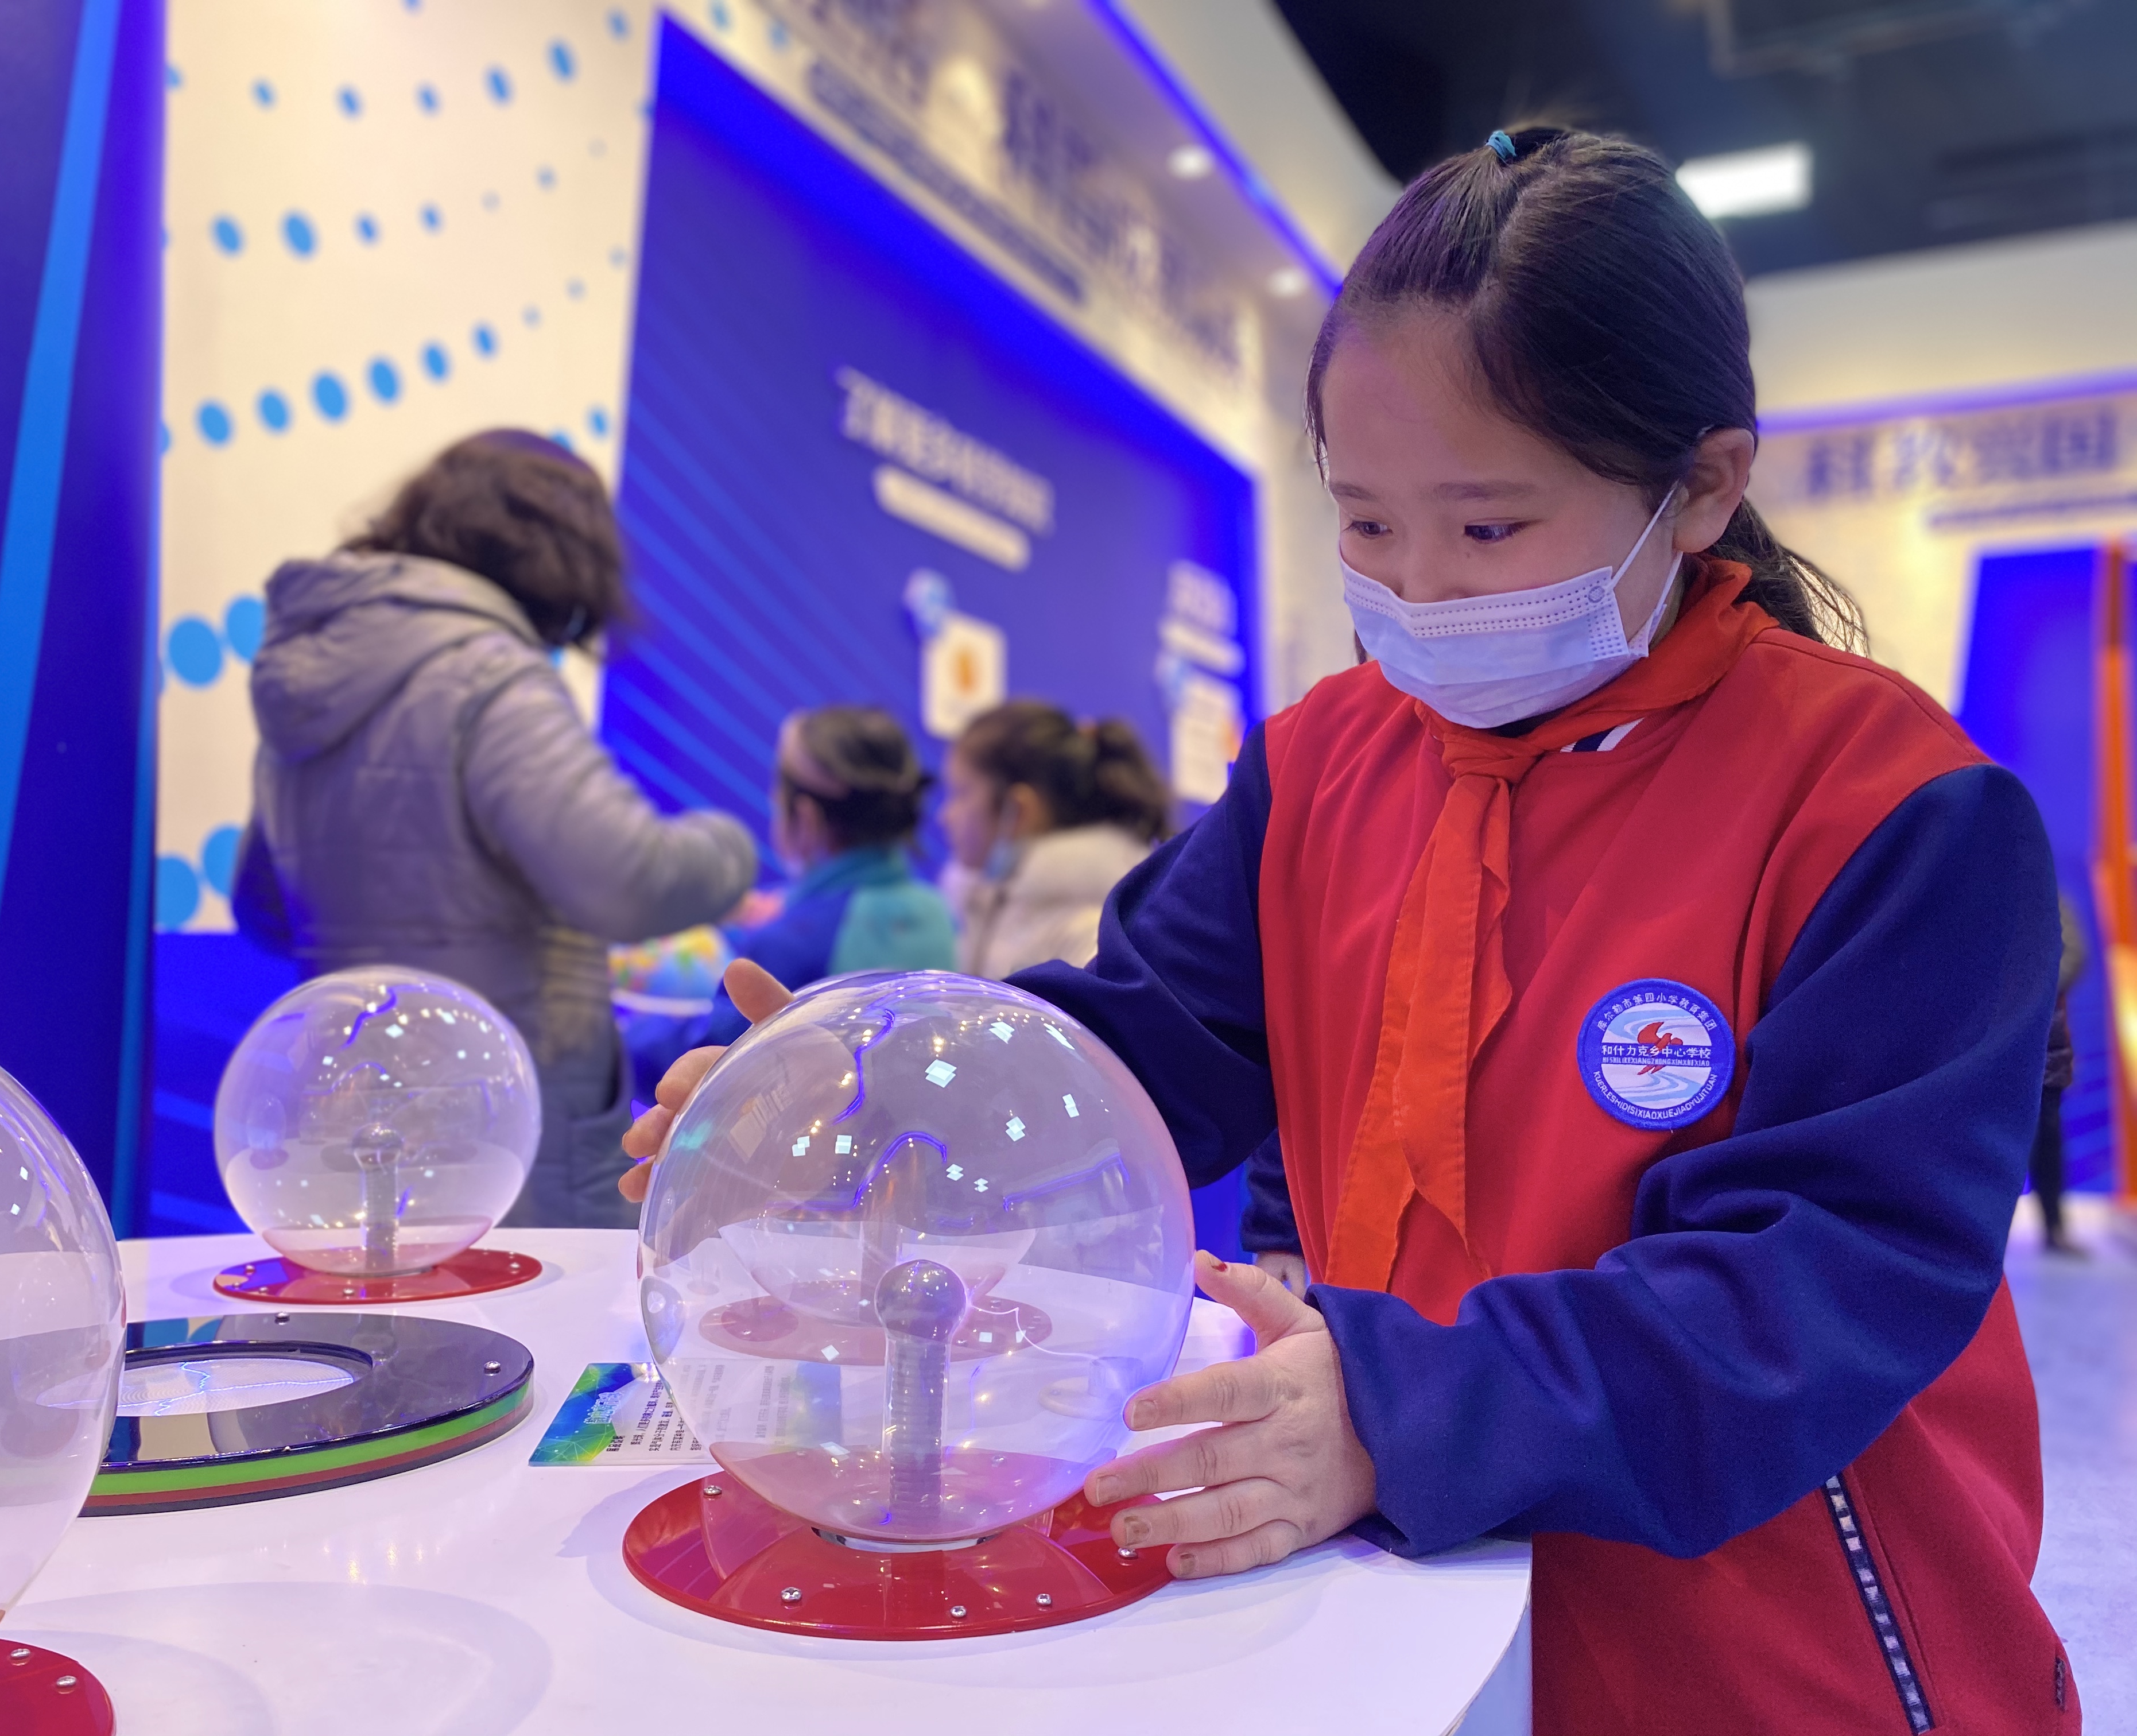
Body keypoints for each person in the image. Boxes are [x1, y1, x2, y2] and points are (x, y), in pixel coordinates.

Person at [621, 129, 2073, 1732]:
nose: (1422, 591)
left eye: (1490, 529)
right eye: (1367, 525)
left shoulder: (1890, 809)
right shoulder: (1321, 766)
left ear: (1705, 487)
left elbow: (1822, 1283)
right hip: (1405, 1596)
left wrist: (1404, 1410)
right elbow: (1143, 1047)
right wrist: (877, 1091)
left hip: (1758, 1634)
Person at [235, 429, 755, 1231]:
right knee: (530, 1312)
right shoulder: (490, 672)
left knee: (386, 1303)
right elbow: (626, 878)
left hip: (345, 1111)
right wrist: (732, 848)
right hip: (502, 1118)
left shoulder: (304, 687)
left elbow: (266, 911)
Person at [623, 706, 957, 1094]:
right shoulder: (936, 909)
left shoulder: (787, 946)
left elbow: (705, 1066)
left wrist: (617, 1033)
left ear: (807, 817)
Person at [939, 700, 1170, 977]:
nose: (945, 816)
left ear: (1018, 810)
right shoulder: (996, 904)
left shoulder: (1090, 933)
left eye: (962, 793)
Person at [2033, 890, 2088, 1255]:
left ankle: (2054, 1226)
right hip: (1991, 1041)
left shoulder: (2050, 894)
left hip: (2045, 1041)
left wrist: (2031, 990)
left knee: (2048, 1137)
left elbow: (2076, 954)